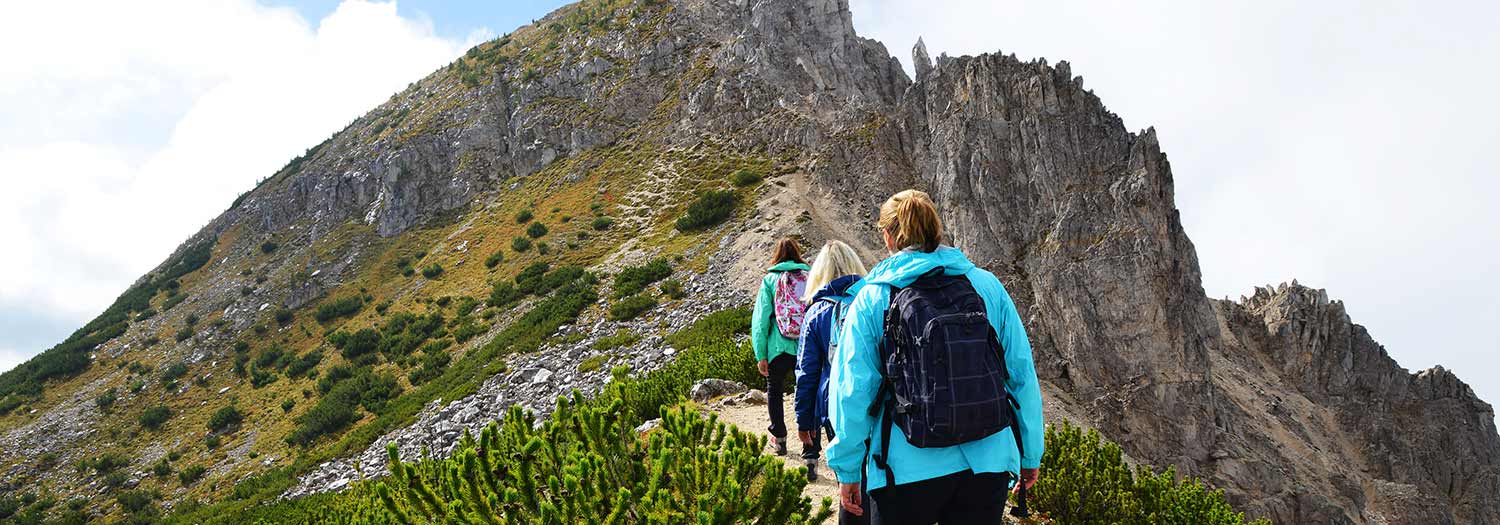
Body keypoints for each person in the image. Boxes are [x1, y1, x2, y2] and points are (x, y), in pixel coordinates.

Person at [826, 190, 1045, 524]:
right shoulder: (986, 285)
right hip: (987, 460)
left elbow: (852, 390)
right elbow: (1020, 374)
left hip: (904, 467)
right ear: (936, 229)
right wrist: (1029, 452)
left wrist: (848, 468)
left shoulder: (874, 297)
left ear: (888, 237)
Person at [794, 240, 869, 485]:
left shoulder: (816, 313)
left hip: (838, 405)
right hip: (877, 401)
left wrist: (805, 420)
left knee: (849, 480)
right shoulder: (872, 301)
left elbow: (807, 373)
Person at [752, 237, 811, 456]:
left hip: (778, 348)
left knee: (774, 391)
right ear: (798, 253)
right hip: (806, 346)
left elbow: (761, 319)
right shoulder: (809, 276)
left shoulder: (770, 280)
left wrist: (761, 354)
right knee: (806, 391)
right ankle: (809, 445)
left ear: (777, 255)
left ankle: (780, 438)